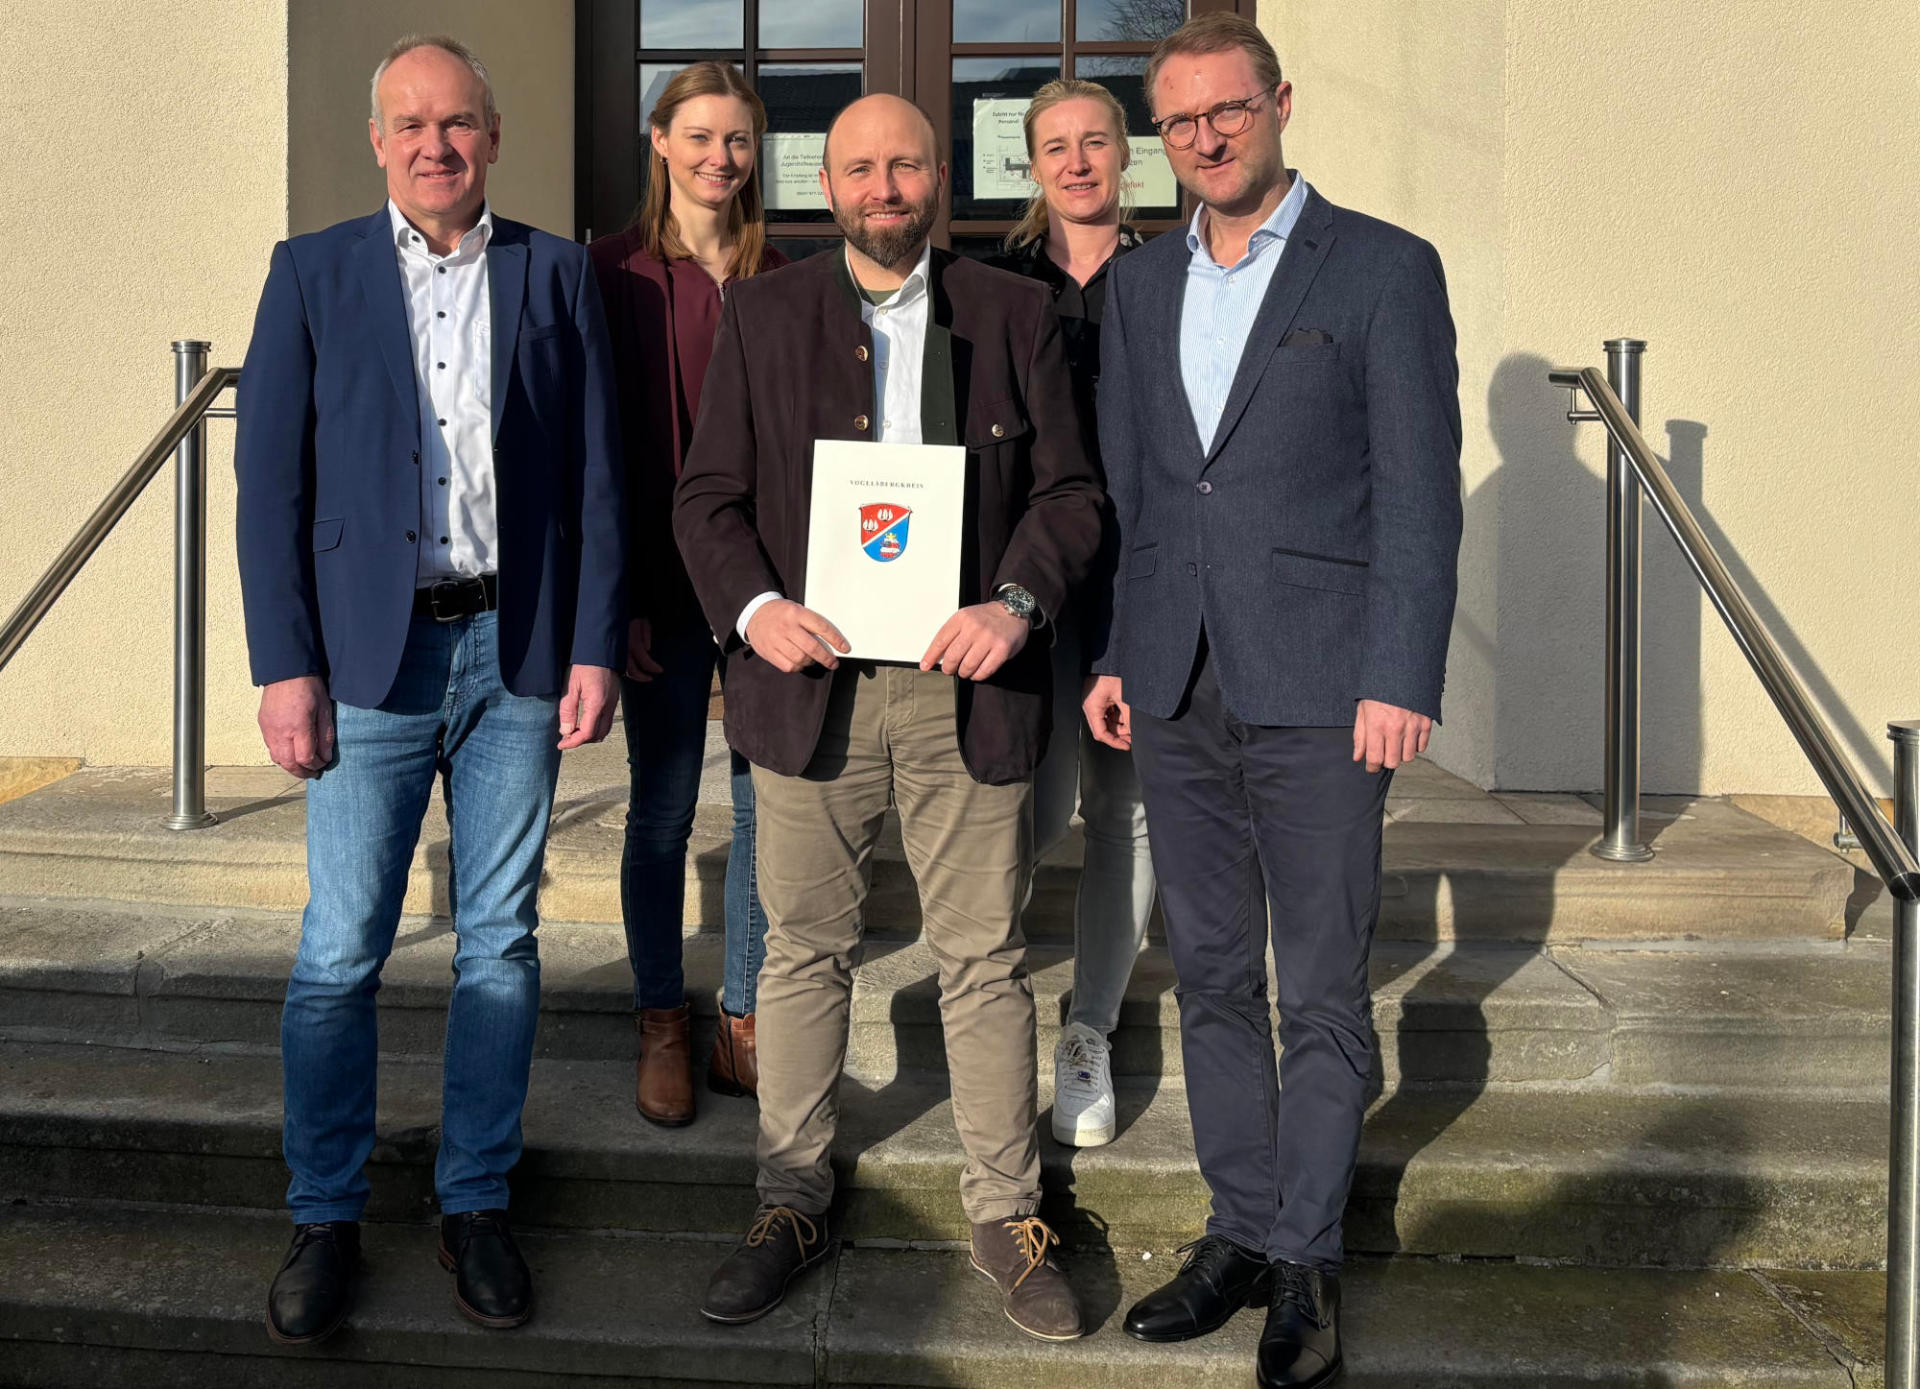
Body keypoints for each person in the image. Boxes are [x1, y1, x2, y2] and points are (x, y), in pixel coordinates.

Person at [673, 94, 1105, 1342]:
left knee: (983, 956)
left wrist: (1017, 603)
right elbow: (707, 499)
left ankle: (1007, 1211)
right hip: (809, 686)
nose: (883, 186)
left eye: (905, 164)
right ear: (829, 179)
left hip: (967, 685)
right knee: (803, 948)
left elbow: (1074, 494)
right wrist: (755, 608)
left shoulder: (1017, 313)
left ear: (937, 174)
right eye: (859, 166)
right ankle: (792, 1196)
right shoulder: (764, 313)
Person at [1086, 16, 1461, 1388]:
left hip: (1322, 690)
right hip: (1178, 678)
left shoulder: (1381, 269)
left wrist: (1398, 676)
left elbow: (1418, 493)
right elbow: (1143, 493)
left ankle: (1308, 1256)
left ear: (1279, 103)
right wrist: (1125, 652)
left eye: (1227, 113)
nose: (1206, 140)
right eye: (1180, 123)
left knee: (1322, 985)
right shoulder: (1135, 286)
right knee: (1212, 975)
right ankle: (1237, 1227)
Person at [236, 34, 624, 1344]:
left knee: (501, 939)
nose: (435, 145)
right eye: (411, 124)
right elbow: (268, 490)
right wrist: (284, 663)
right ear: (377, 140)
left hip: (514, 650)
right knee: (342, 946)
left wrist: (589, 641)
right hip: (367, 662)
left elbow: (593, 478)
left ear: (495, 137)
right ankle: (326, 1208)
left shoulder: (554, 272)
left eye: (458, 123)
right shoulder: (311, 274)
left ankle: (473, 1202)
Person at [589, 61, 786, 1127]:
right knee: (662, 811)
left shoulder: (788, 276)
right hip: (658, 589)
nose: (720, 159)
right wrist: (606, 596)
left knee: (764, 810)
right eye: (700, 137)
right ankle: (662, 1015)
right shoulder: (609, 273)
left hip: (764, 594)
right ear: (658, 140)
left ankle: (742, 1019)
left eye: (740, 141)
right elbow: (596, 449)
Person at [988, 79, 1153, 1151]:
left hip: (1145, 594)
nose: (1079, 161)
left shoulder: (1179, 275)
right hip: (1033, 591)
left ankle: (1088, 1025)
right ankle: (988, 1002)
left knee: (1127, 818)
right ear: (1033, 164)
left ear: (1125, 154)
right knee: (1028, 812)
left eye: (1096, 141)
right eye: (1058, 145)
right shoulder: (998, 286)